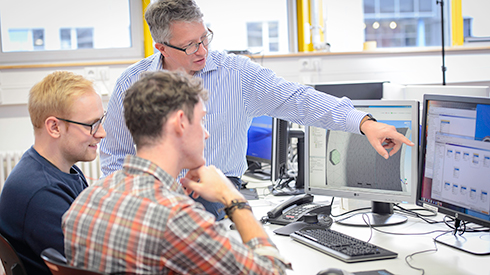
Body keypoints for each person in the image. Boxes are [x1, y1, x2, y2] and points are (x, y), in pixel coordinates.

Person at [100, 0, 414, 220]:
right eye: (191, 45)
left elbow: (299, 99)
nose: (203, 51)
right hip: (151, 191)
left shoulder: (236, 73)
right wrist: (138, 197)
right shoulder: (132, 83)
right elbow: (114, 154)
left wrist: (363, 122)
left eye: (204, 38)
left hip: (216, 191)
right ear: (161, 48)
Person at [62, 71, 291, 274]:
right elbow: (272, 271)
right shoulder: (175, 218)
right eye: (201, 121)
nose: (206, 134)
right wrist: (233, 198)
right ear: (180, 123)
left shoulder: (89, 198)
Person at [0, 71, 106, 275]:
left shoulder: (61, 171)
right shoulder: (41, 193)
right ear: (54, 127)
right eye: (91, 125)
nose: (102, 133)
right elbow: (94, 266)